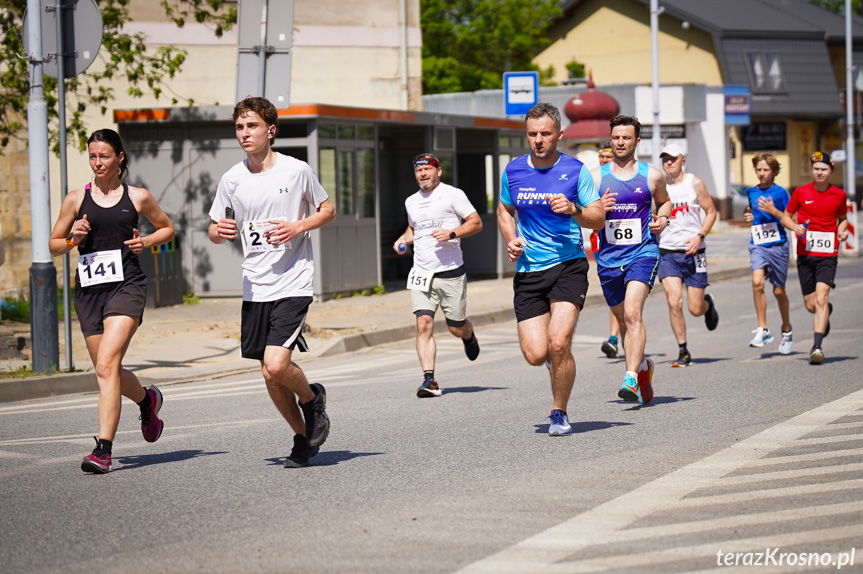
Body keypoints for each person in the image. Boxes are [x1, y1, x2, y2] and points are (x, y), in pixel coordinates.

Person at [208, 97, 335, 467]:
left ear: (271, 131)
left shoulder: (296, 171)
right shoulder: (232, 179)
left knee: (277, 364)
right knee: (268, 373)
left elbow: (327, 210)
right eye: (239, 127)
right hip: (255, 284)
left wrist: (298, 225)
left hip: (293, 280)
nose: (244, 134)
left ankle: (312, 399)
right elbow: (214, 228)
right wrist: (220, 231)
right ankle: (303, 437)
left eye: (252, 126)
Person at [49, 129, 175, 474]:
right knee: (108, 370)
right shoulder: (76, 199)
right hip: (89, 291)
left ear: (119, 157)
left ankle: (103, 451)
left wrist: (146, 241)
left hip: (127, 286)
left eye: (104, 156)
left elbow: (167, 228)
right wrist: (72, 239)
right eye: (92, 156)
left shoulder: (137, 197)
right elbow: (53, 244)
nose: (98, 162)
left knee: (106, 364)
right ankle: (147, 401)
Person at [497, 102, 604, 436]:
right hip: (529, 271)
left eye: (545, 133)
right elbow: (504, 208)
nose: (538, 140)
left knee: (559, 343)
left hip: (568, 265)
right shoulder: (513, 171)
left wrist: (574, 209)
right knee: (535, 354)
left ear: (560, 134)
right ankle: (556, 365)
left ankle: (559, 412)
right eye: (532, 134)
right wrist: (511, 238)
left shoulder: (575, 171)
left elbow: (598, 216)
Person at [593, 115, 672, 403]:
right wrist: (597, 208)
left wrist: (662, 220)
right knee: (622, 321)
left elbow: (664, 202)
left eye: (626, 138)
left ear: (636, 141)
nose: (620, 142)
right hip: (608, 259)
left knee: (632, 314)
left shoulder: (651, 175)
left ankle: (629, 378)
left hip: (643, 251)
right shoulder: (595, 176)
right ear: (610, 139)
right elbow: (583, 215)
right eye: (616, 137)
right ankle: (642, 368)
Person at [392, 154, 482, 397]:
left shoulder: (453, 194)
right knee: (423, 324)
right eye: (419, 170)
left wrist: (452, 233)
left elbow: (475, 223)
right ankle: (429, 380)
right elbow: (414, 228)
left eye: (427, 169)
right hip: (421, 272)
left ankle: (468, 334)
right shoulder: (411, 201)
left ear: (438, 171)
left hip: (450, 272)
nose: (423, 174)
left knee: (455, 327)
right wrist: (403, 240)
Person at [775, 151, 848, 364]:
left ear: (831, 171)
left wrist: (842, 231)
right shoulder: (800, 192)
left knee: (822, 296)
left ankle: (817, 347)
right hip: (805, 253)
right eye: (816, 169)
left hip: (828, 254)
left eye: (823, 169)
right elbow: (785, 217)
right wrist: (795, 227)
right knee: (810, 304)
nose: (819, 172)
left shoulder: (839, 195)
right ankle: (825, 313)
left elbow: (843, 219)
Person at [658, 143, 719, 367]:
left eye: (673, 158)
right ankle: (683, 350)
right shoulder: (659, 185)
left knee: (694, 309)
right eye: (665, 158)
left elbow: (712, 212)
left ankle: (707, 305)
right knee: (674, 301)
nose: (668, 162)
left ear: (683, 159)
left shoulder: (694, 183)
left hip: (694, 250)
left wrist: (700, 235)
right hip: (667, 251)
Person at [742, 153, 794, 353]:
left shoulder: (781, 193)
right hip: (758, 243)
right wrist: (749, 217)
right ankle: (763, 328)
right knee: (757, 282)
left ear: (774, 172)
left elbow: (790, 219)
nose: (762, 173)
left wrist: (774, 211)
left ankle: (787, 329)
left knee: (778, 291)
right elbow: (752, 213)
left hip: (778, 245)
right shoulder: (751, 192)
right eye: (759, 170)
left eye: (766, 170)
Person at [591, 143, 622, 359]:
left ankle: (614, 338)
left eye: (607, 156)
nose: (603, 159)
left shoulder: (623, 181)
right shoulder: (594, 182)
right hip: (602, 243)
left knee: (623, 298)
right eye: (601, 156)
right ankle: (616, 336)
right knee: (613, 294)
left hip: (626, 247)